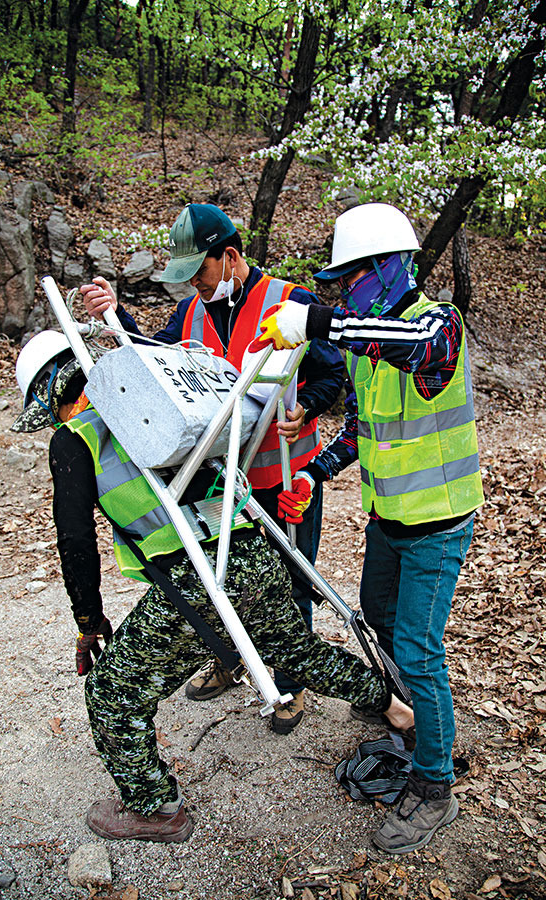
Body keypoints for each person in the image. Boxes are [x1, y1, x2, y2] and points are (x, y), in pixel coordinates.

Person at [11, 332, 414, 843]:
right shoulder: (166, 402)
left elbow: (75, 542)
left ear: (51, 394)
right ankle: (395, 707)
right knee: (297, 649)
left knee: (113, 690)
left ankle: (154, 808)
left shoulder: (76, 437)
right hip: (248, 550)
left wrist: (90, 625)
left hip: (196, 578)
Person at [250, 202, 484, 855]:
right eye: (339, 285)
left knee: (417, 647)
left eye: (351, 278)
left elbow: (418, 351)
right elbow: (365, 427)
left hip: (440, 521)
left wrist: (317, 320)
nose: (343, 291)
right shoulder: (365, 339)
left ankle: (434, 787)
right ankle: (407, 705)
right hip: (390, 519)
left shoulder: (435, 324)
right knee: (376, 617)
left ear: (388, 268)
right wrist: (313, 474)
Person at [79, 203, 345, 734]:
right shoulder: (193, 312)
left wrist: (307, 408)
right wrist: (116, 315)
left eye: (198, 272)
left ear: (229, 256)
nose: (194, 287)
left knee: (289, 579)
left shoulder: (291, 302)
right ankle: (228, 658)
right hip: (221, 480)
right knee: (218, 576)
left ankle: (290, 682)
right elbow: (154, 354)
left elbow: (332, 374)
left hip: (282, 474)